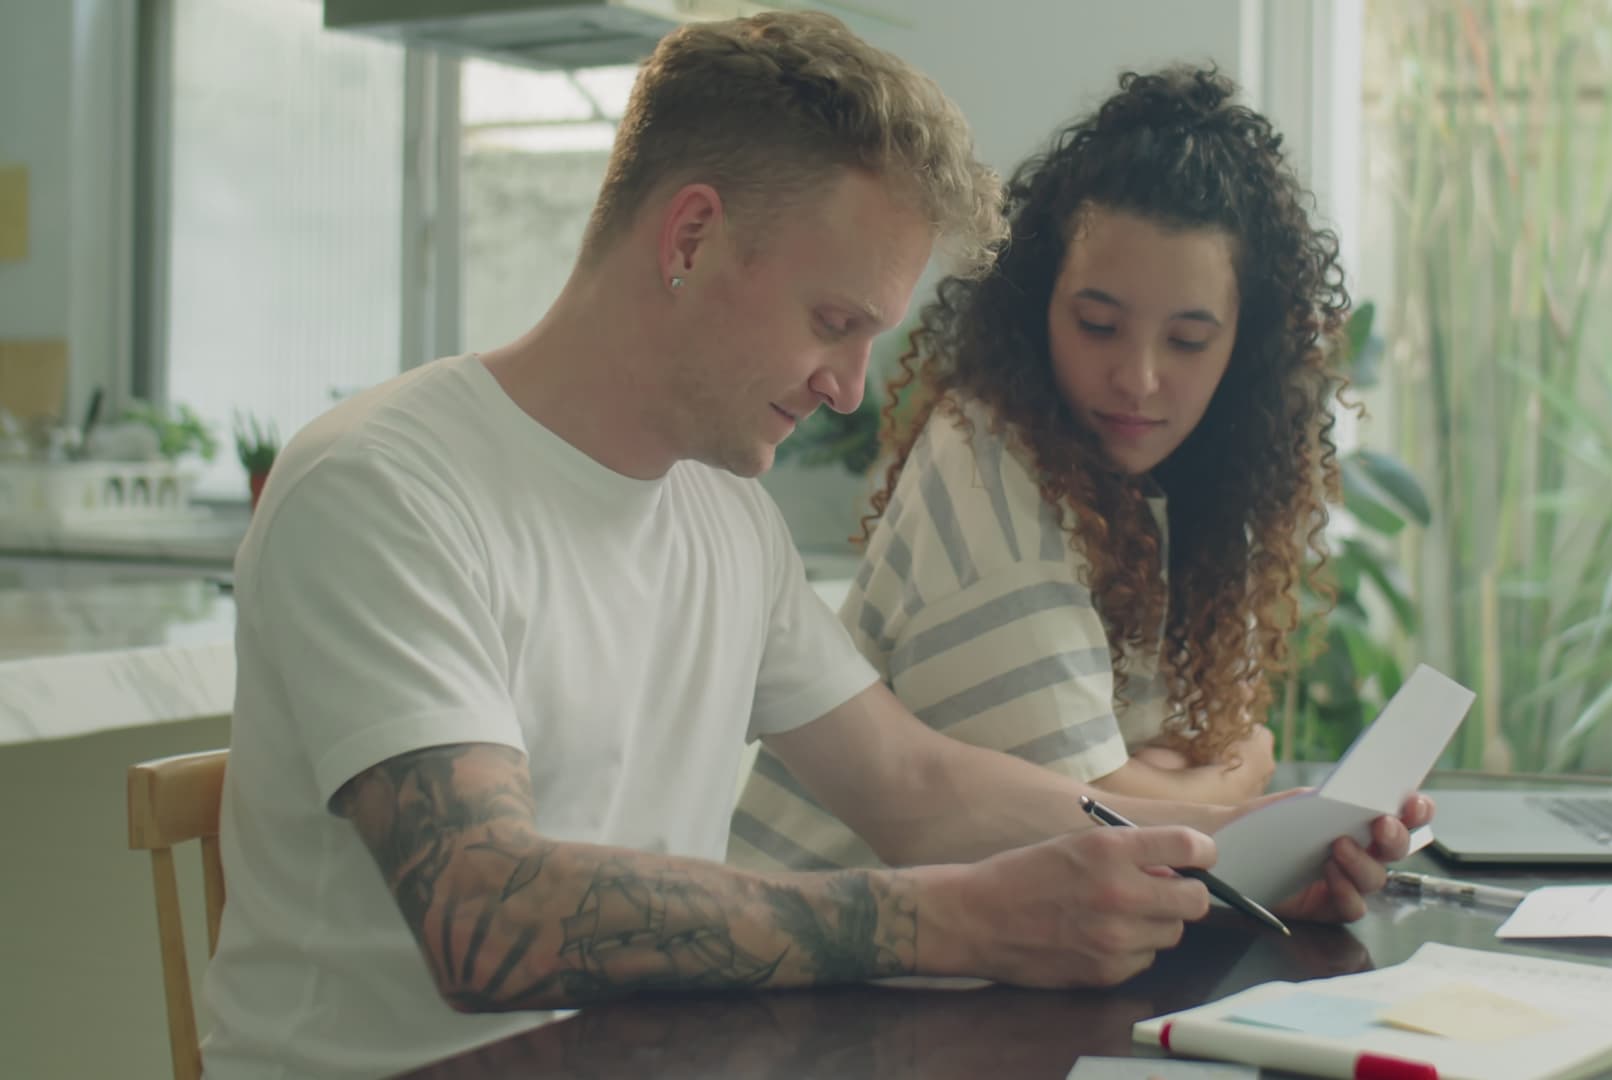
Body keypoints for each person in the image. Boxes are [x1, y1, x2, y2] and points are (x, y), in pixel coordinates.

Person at [202, 15, 1427, 1077]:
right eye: (834, 321)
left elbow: (916, 788)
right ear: (690, 238)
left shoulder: (720, 516)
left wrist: (1235, 859)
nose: (849, 387)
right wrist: (946, 922)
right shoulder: (385, 487)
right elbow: (488, 916)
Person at [732, 67, 1377, 892]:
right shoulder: (986, 468)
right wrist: (1239, 775)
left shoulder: (1190, 491)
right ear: (1037, 306)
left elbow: (1150, 780)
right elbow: (1095, 823)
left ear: (1242, 351)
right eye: (1098, 325)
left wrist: (1188, 778)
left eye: (1187, 341)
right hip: (828, 953)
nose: (1138, 379)